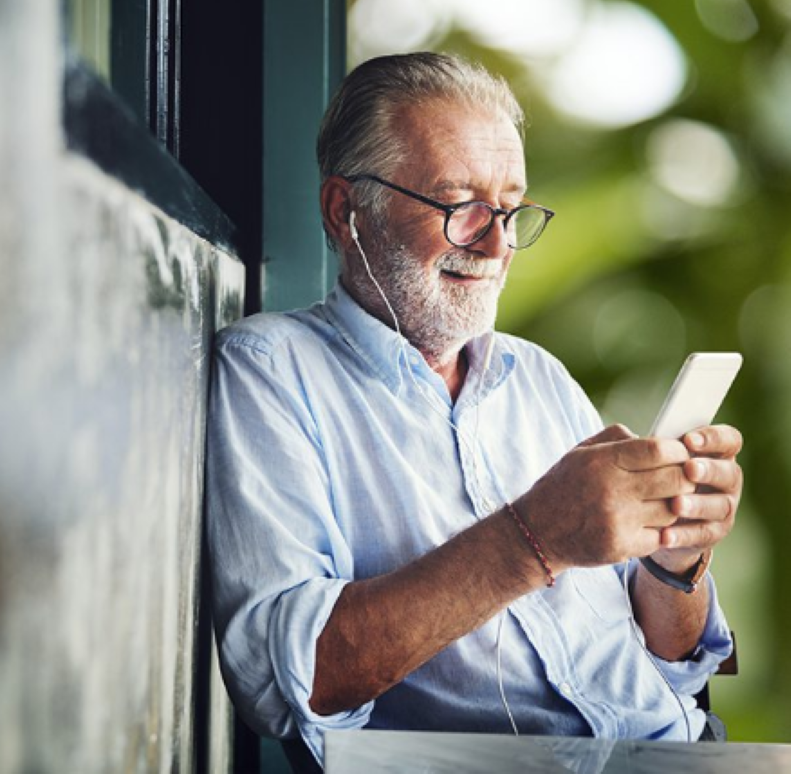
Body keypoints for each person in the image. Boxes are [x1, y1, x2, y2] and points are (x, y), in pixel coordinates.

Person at [205, 52, 740, 767]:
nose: (497, 244)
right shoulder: (272, 369)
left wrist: (677, 564)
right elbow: (288, 683)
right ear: (346, 211)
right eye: (460, 206)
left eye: (512, 209)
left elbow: (676, 657)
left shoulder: (538, 377)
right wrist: (535, 536)